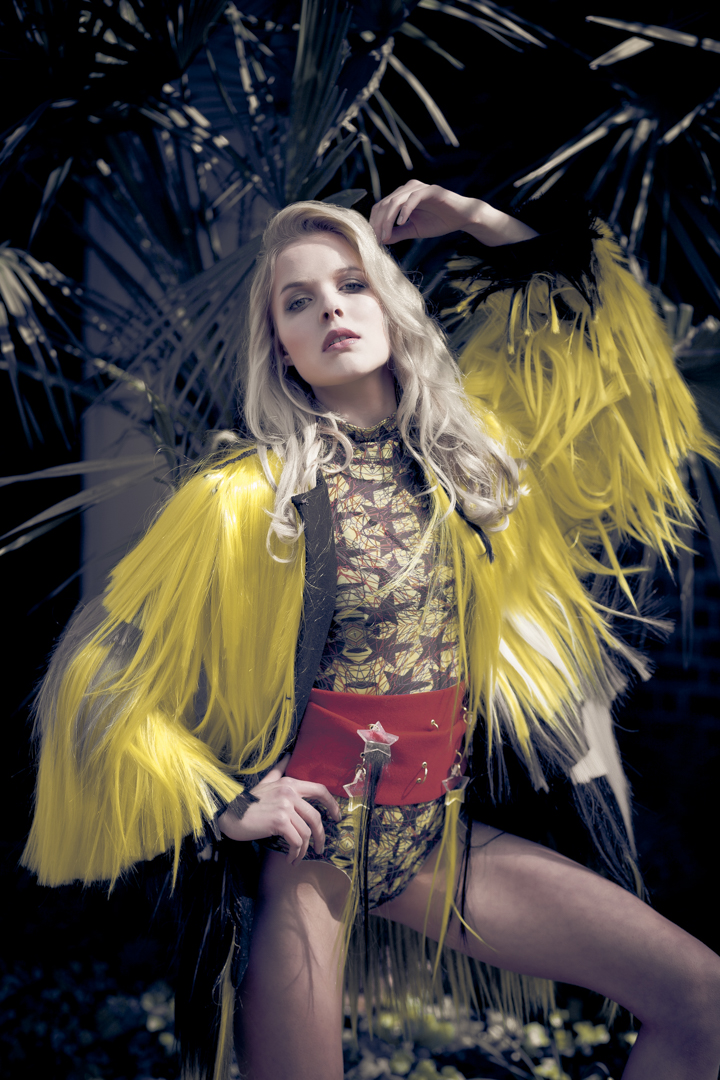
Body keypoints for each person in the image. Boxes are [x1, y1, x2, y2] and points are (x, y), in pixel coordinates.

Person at [21, 181, 720, 1080]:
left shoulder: (474, 465)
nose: (331, 310)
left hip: (436, 841)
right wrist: (221, 800)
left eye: (352, 284)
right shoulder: (243, 501)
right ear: (280, 347)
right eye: (298, 301)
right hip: (306, 868)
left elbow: (579, 327)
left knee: (700, 996)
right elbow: (99, 675)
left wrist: (472, 220)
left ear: (391, 303)